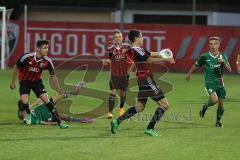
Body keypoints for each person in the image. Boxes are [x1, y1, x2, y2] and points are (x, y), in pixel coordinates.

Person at [110, 29, 175, 136]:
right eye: (141, 36)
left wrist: (163, 53)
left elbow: (150, 54)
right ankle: (150, 128)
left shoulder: (138, 49)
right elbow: (149, 59)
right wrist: (165, 59)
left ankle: (117, 122)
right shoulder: (137, 50)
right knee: (164, 105)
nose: (142, 38)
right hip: (147, 80)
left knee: (139, 107)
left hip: (142, 80)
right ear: (136, 38)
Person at [10, 39, 68, 129]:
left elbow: (53, 76)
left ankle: (60, 122)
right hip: (25, 82)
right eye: (45, 48)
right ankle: (28, 115)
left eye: (47, 48)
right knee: (24, 101)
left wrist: (59, 89)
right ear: (38, 49)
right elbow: (16, 67)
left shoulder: (47, 61)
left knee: (47, 102)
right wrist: (13, 82)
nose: (47, 50)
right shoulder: (27, 57)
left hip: (37, 82)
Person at [186, 36, 231, 127]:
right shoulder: (205, 56)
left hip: (220, 83)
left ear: (218, 45)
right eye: (211, 44)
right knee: (214, 100)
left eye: (215, 44)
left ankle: (218, 122)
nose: (212, 46)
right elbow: (196, 65)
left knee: (221, 104)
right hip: (210, 82)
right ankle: (205, 105)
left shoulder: (223, 56)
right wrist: (189, 74)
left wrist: (223, 62)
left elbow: (229, 69)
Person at [104, 29, 133, 119]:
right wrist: (106, 61)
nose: (118, 38)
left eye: (119, 37)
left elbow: (132, 60)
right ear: (113, 39)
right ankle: (110, 112)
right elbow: (110, 59)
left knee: (123, 94)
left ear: (122, 37)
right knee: (112, 92)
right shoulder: (110, 49)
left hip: (124, 74)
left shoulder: (127, 47)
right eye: (116, 37)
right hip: (114, 74)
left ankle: (121, 108)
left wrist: (129, 70)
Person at [17, 93, 93, 126]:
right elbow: (43, 122)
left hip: (42, 108)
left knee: (58, 97)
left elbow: (27, 109)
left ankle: (74, 92)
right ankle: (80, 120)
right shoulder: (29, 121)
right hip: (45, 116)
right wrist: (55, 123)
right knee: (60, 115)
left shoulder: (21, 111)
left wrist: (36, 103)